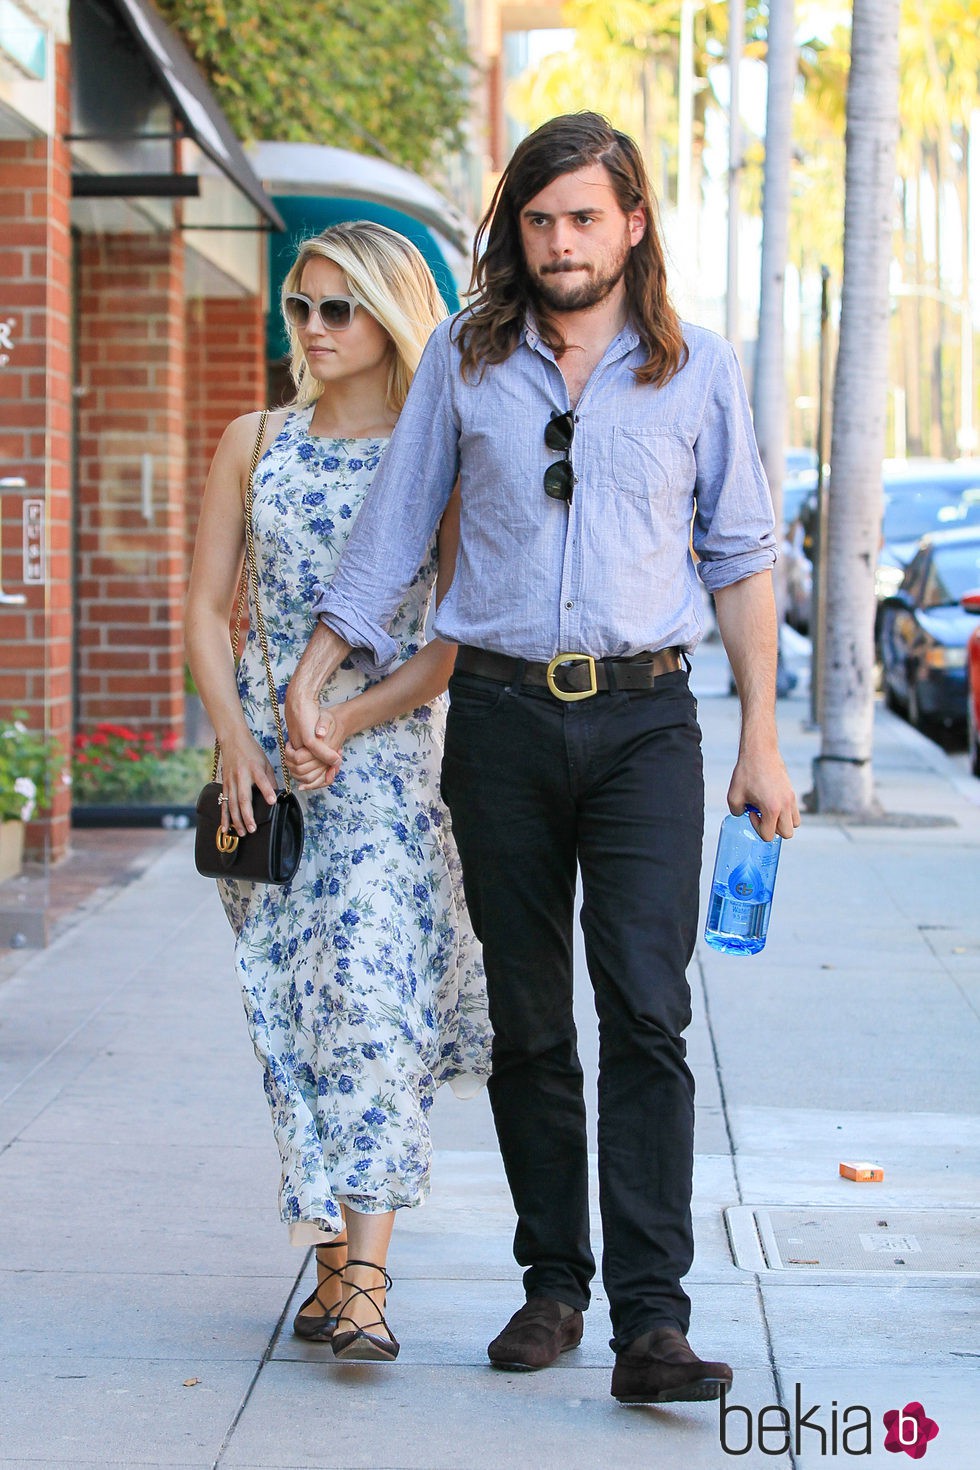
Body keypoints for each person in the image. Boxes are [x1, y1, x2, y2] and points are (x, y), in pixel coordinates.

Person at [284, 113, 800, 1403]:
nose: (562, 241)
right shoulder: (466, 363)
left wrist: (762, 743)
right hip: (502, 724)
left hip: (644, 725)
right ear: (516, 232)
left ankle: (651, 1320)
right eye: (539, 219)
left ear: (631, 225)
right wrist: (309, 677)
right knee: (527, 1024)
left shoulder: (696, 371)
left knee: (644, 1007)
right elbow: (392, 536)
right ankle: (551, 1286)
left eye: (584, 217)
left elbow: (739, 558)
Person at [185, 221, 491, 1363]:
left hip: (386, 771)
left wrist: (348, 722)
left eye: (337, 310)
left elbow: (447, 640)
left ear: (388, 316)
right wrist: (234, 738)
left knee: (370, 1009)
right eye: (300, 309)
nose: (311, 330)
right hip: (264, 781)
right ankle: (329, 1273)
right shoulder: (252, 440)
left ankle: (364, 1281)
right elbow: (205, 609)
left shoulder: (439, 451)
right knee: (299, 1021)